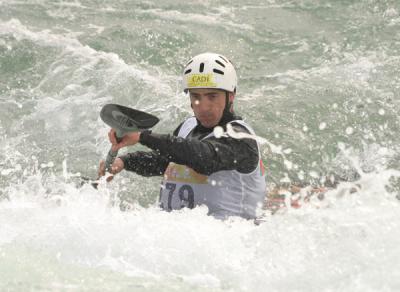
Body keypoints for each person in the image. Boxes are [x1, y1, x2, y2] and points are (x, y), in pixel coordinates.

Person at [98, 52, 266, 220]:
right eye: (196, 96)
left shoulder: (241, 139)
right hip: (179, 237)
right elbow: (167, 162)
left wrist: (143, 137)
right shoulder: (188, 126)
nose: (203, 107)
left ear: (231, 95)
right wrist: (124, 162)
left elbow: (204, 159)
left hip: (228, 240)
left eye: (212, 96)